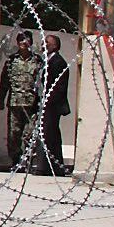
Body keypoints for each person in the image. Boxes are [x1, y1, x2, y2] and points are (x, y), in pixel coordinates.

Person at [0, 30, 44, 172]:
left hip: (32, 104)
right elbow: (4, 82)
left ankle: (29, 160)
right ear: (17, 43)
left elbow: (42, 81)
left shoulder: (37, 60)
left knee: (29, 134)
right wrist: (0, 99)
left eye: (27, 39)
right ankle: (16, 161)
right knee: (14, 134)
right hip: (15, 103)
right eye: (21, 40)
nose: (24, 42)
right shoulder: (11, 61)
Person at [37, 34, 71, 176]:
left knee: (49, 135)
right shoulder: (47, 61)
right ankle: (50, 165)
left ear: (55, 46)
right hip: (47, 104)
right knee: (48, 134)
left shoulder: (58, 62)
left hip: (52, 105)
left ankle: (49, 166)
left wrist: (48, 101)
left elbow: (58, 86)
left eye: (47, 42)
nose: (43, 44)